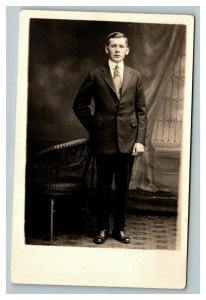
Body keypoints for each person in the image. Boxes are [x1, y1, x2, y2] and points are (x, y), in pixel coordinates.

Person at [73, 32, 147, 244]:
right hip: (103, 140)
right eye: (113, 46)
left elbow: (142, 110)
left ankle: (120, 229)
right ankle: (102, 229)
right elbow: (79, 105)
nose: (117, 50)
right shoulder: (96, 75)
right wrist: (95, 126)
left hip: (128, 141)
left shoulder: (135, 76)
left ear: (127, 50)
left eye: (121, 46)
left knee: (122, 189)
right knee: (103, 188)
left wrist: (140, 140)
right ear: (107, 49)